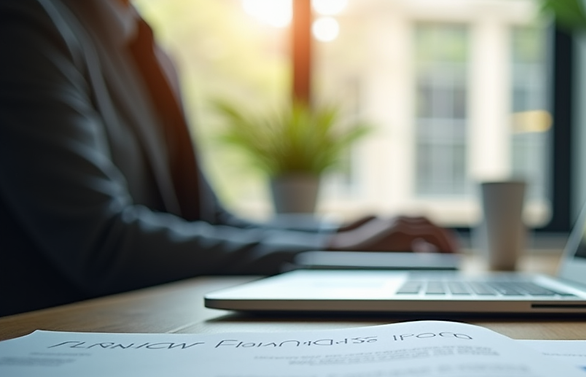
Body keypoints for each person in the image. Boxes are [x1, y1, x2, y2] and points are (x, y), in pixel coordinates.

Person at [0, 0, 456, 317]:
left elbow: (209, 217)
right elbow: (100, 242)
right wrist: (329, 250)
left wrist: (340, 232)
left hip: (152, 327)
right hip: (63, 343)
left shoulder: (150, 48)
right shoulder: (27, 23)